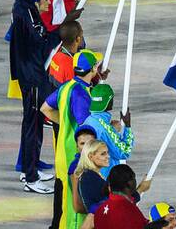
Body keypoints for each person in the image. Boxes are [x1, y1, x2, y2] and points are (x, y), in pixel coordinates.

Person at [12, 0, 81, 193]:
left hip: (29, 71)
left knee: (31, 122)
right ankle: (31, 179)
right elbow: (43, 42)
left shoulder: (23, 7)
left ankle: (28, 168)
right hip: (32, 75)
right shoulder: (26, 11)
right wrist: (66, 23)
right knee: (32, 124)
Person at [41, 48, 101, 227]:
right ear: (92, 69)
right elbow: (86, 127)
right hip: (74, 157)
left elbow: (45, 108)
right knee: (74, 209)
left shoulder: (66, 87)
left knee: (63, 202)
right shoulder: (81, 94)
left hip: (61, 153)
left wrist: (66, 124)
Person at [83, 83, 134, 169]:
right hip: (106, 175)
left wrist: (112, 129)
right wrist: (127, 127)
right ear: (108, 101)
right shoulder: (105, 128)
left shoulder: (88, 120)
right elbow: (124, 152)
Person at [93, 164, 150, 228]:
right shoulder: (129, 210)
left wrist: (140, 189)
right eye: (134, 178)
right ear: (130, 183)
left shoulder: (99, 209)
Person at [73, 138, 111, 219]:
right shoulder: (90, 178)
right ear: (90, 156)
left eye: (107, 153)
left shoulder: (92, 174)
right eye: (103, 154)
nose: (108, 156)